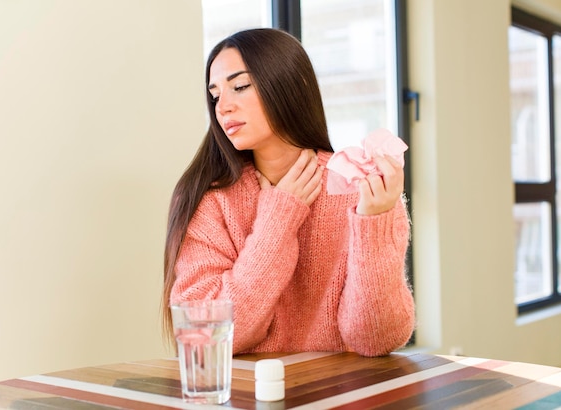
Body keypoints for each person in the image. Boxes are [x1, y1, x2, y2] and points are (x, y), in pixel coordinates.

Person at [162, 28, 414, 357]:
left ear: (291, 86)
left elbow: (376, 340)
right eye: (215, 95)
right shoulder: (209, 199)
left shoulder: (360, 187)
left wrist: (373, 221)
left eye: (239, 86)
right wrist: (278, 219)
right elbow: (203, 336)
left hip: (341, 396)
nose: (222, 107)